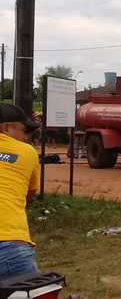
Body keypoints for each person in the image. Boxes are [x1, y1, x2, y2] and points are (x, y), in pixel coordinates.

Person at [0, 104, 41, 280]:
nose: (25, 137)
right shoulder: (27, 152)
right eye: (23, 130)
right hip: (11, 246)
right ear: (5, 128)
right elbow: (29, 194)